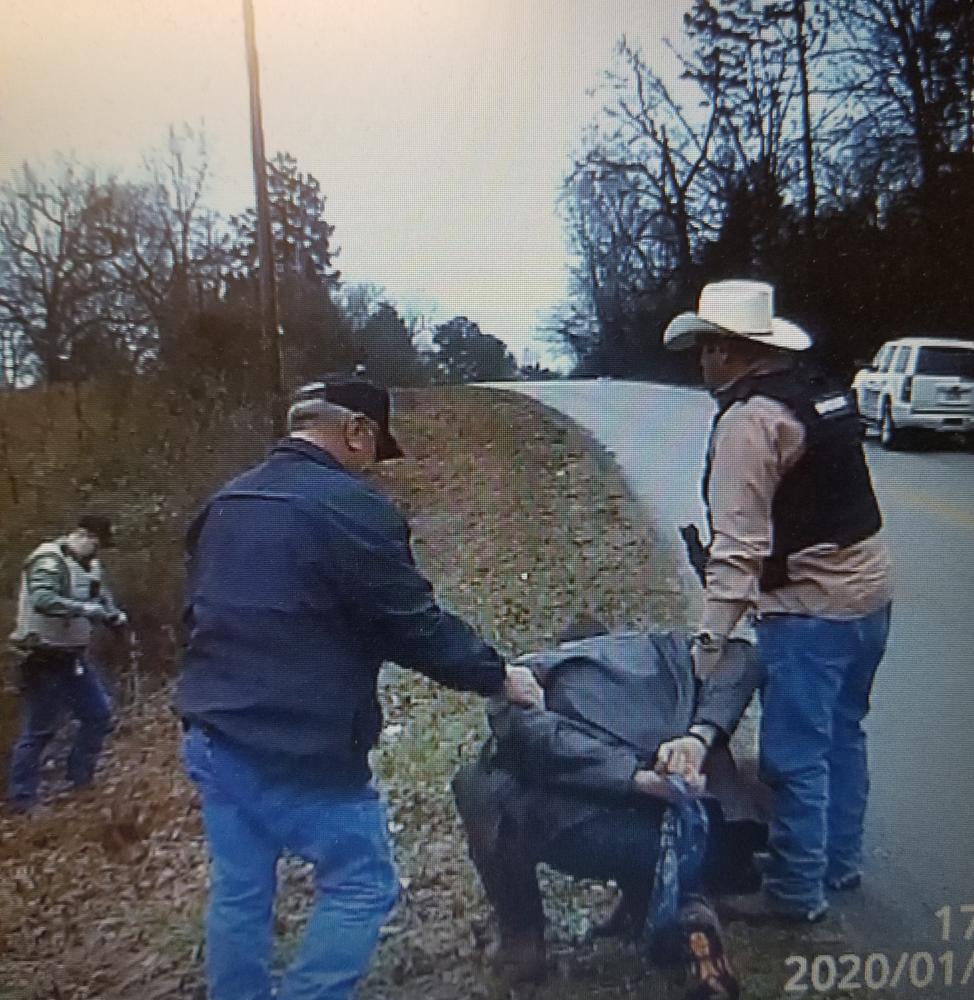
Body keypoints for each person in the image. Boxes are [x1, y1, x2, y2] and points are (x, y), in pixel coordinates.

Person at [177, 376, 543, 1000]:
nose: (373, 467)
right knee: (360, 882)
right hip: (302, 748)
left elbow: (192, 620)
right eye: (374, 449)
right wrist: (499, 676)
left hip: (212, 734)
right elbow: (413, 626)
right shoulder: (353, 509)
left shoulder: (224, 504)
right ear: (355, 432)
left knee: (241, 891)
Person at [662, 279, 893, 923]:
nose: (702, 361)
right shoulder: (818, 394)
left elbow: (740, 549)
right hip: (870, 597)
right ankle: (835, 860)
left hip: (809, 610)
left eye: (708, 348)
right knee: (843, 734)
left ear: (733, 352)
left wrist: (710, 642)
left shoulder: (748, 422)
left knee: (794, 756)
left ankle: (795, 892)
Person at [452, 618, 770, 998]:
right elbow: (745, 655)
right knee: (666, 846)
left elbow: (532, 737)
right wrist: (700, 736)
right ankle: (688, 918)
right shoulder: (664, 651)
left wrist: (636, 777)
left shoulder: (540, 672)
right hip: (703, 836)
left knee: (478, 783)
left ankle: (523, 942)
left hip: (592, 831)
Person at [7, 514, 126, 812]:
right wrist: (84, 609)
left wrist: (113, 615)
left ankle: (80, 781)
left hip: (72, 656)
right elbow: (43, 599)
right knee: (40, 728)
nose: (98, 551)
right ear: (82, 535)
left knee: (98, 714)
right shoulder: (48, 560)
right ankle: (22, 799)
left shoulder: (90, 565)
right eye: (96, 543)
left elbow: (101, 596)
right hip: (40, 656)